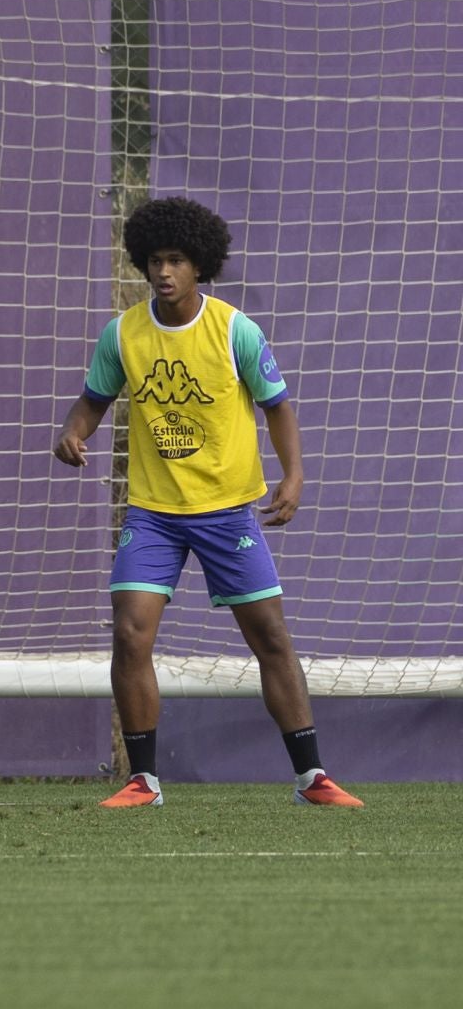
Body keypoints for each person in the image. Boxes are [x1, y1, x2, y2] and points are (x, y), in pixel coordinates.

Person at [54, 195, 361, 809]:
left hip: (226, 512)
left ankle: (312, 778)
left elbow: (277, 407)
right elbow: (92, 400)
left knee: (271, 638)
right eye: (155, 261)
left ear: (200, 266)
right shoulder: (123, 334)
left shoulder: (234, 329)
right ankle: (143, 780)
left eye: (177, 260)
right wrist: (73, 433)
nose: (164, 272)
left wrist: (293, 475)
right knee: (129, 632)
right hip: (153, 513)